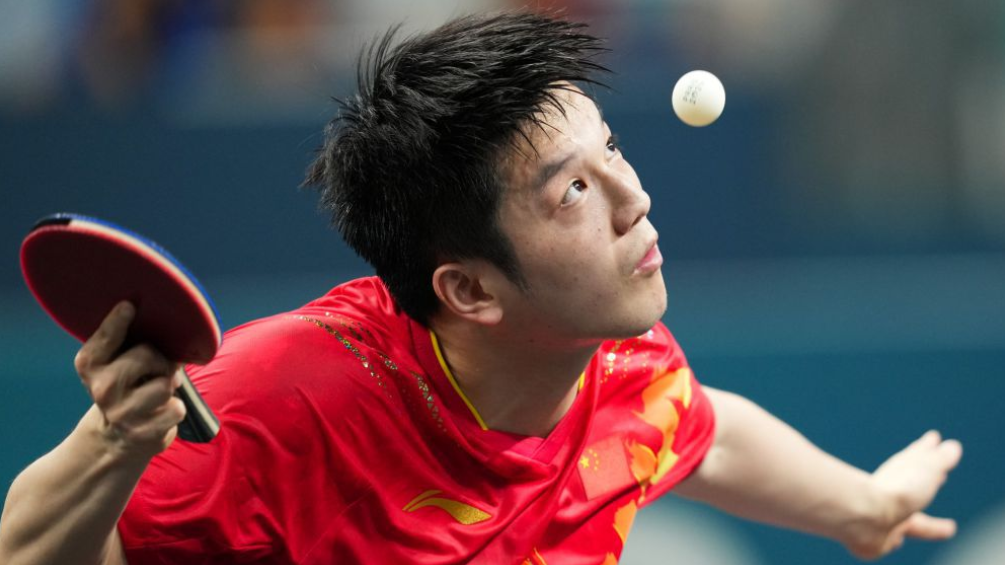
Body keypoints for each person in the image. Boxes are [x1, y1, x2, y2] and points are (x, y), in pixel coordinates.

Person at [0, 12, 962, 565]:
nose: (635, 199)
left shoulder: (617, 360)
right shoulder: (278, 404)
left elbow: (702, 430)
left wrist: (861, 505)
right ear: (468, 290)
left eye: (612, 151)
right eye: (572, 191)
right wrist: (113, 442)